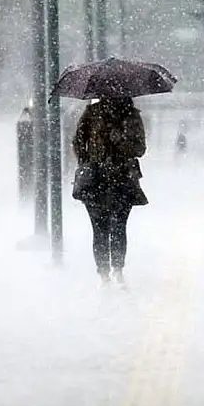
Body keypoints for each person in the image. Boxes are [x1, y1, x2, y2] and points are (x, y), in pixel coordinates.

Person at [72, 97, 148, 286]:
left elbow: (140, 149)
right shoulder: (92, 113)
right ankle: (104, 273)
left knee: (118, 226)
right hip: (95, 179)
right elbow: (78, 141)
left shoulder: (132, 115)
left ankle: (117, 269)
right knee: (100, 228)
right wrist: (87, 162)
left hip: (122, 178)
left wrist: (121, 141)